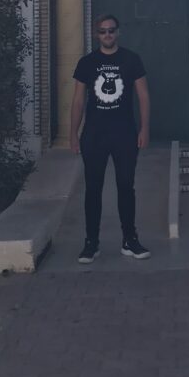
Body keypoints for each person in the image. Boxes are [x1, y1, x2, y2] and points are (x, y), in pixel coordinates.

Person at [70, 14, 151, 263]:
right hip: (94, 135)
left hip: (124, 133)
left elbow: (143, 96)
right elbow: (79, 100)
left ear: (118, 32)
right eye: (103, 31)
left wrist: (144, 129)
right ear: (97, 34)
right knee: (93, 188)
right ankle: (91, 243)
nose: (107, 35)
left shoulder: (131, 60)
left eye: (111, 31)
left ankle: (130, 240)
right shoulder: (87, 63)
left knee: (126, 187)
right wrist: (73, 134)